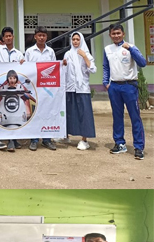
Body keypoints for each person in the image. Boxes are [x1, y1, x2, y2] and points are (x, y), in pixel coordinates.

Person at [103, 24, 146, 160]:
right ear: (110, 35)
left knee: (135, 116)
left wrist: (131, 50)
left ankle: (139, 147)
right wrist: (106, 83)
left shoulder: (130, 47)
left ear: (123, 34)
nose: (116, 36)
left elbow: (142, 63)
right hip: (114, 87)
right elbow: (106, 67)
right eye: (113, 34)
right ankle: (120, 143)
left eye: (118, 33)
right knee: (117, 116)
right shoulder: (107, 49)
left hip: (129, 86)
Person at [0, 26, 26, 152]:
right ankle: (8, 140)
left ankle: (14, 139)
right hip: (2, 87)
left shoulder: (19, 53)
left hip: (15, 89)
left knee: (15, 112)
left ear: (13, 37)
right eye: (6, 36)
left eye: (10, 36)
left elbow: (23, 70)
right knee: (3, 112)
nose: (8, 38)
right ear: (3, 38)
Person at [61, 32, 97, 150]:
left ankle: (84, 140)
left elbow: (93, 69)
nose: (75, 41)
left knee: (84, 114)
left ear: (81, 40)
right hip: (70, 88)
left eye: (77, 39)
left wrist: (85, 57)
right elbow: (64, 70)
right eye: (73, 39)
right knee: (70, 112)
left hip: (82, 89)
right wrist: (63, 64)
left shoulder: (86, 53)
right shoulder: (68, 53)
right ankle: (66, 135)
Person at [25, 26, 58, 151]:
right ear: (35, 37)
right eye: (39, 35)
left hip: (47, 89)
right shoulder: (29, 52)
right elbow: (27, 70)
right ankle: (34, 140)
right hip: (34, 88)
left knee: (47, 113)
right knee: (35, 112)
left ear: (46, 37)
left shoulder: (50, 52)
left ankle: (47, 140)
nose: (41, 37)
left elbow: (55, 68)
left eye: (43, 35)